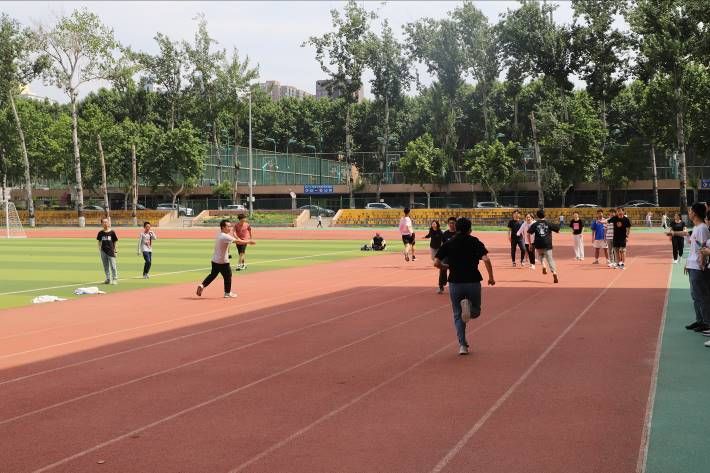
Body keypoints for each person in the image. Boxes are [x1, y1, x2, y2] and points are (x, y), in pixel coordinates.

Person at [434, 217, 495, 355]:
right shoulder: (475, 241)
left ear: (456, 228)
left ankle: (462, 346)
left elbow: (436, 263)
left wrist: (446, 267)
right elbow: (486, 259)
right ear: (470, 229)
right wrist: (491, 277)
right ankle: (469, 309)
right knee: (476, 311)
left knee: (458, 314)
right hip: (473, 281)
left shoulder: (449, 243)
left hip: (455, 282)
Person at [669, 203, 710, 334]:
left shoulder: (702, 228)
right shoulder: (697, 227)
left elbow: (703, 247)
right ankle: (700, 320)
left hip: (698, 267)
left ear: (695, 213)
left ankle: (707, 322)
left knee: (701, 295)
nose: (689, 213)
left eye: (691, 211)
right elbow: (693, 247)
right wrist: (688, 263)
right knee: (695, 295)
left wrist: (701, 262)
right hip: (693, 265)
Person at [197, 219, 255, 298]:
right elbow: (238, 241)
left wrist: (229, 253)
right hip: (222, 261)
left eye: (230, 226)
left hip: (215, 260)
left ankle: (202, 285)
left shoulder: (219, 234)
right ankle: (227, 293)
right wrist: (249, 242)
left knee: (213, 275)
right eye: (228, 226)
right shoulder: (225, 236)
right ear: (223, 227)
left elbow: (228, 244)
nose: (230, 228)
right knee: (228, 276)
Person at [528, 209, 560, 284]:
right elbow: (558, 230)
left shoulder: (535, 224)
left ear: (537, 216)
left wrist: (530, 244)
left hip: (538, 243)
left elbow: (529, 232)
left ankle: (543, 265)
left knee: (541, 256)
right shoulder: (548, 223)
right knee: (550, 260)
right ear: (545, 215)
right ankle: (554, 273)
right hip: (547, 244)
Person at [437, 216, 458, 294]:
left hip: (456, 256)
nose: (451, 224)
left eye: (453, 223)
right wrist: (440, 256)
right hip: (446, 256)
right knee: (442, 269)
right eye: (450, 223)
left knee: (456, 271)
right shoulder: (445, 233)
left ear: (456, 224)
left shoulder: (458, 233)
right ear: (448, 224)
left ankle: (456, 287)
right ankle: (441, 286)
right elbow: (442, 245)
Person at [97, 218, 119, 284]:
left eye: (106, 222)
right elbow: (99, 241)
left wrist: (115, 251)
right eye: (104, 222)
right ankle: (108, 278)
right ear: (102, 224)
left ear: (108, 223)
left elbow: (115, 242)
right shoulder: (100, 233)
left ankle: (114, 278)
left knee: (113, 266)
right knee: (105, 266)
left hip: (111, 251)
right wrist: (100, 249)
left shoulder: (112, 232)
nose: (105, 223)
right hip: (103, 251)